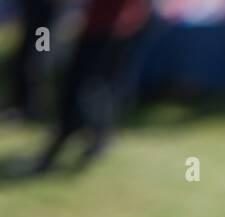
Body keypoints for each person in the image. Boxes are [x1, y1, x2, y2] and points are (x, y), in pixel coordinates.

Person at [35, 0, 152, 170]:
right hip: (115, 27)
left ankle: (61, 146)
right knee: (98, 88)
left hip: (105, 29)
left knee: (80, 89)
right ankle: (97, 136)